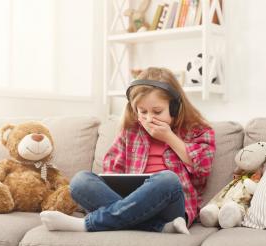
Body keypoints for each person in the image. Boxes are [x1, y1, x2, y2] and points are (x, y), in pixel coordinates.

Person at [40, 67, 216, 234]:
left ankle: (87, 224)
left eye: (157, 111)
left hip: (171, 206)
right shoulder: (130, 133)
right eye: (142, 111)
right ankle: (160, 228)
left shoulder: (198, 131)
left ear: (175, 107)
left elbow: (203, 170)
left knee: (167, 178)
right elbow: (112, 173)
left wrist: (169, 137)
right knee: (80, 181)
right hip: (133, 204)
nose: (149, 118)